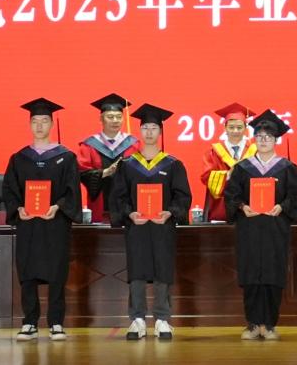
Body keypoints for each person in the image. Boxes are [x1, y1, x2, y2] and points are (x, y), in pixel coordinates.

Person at [109, 103, 192, 340]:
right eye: (145, 127)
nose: (149, 132)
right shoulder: (127, 165)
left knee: (162, 270)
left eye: (153, 128)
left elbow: (182, 196)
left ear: (160, 131)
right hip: (136, 227)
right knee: (137, 271)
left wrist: (170, 212)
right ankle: (137, 319)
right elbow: (118, 197)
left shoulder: (173, 164)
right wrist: (129, 214)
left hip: (162, 227)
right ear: (140, 131)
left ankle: (162, 319)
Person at [3, 98, 81, 342]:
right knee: (27, 272)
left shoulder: (66, 157)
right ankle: (29, 322)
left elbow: (72, 191)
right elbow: (10, 190)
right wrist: (18, 208)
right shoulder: (19, 158)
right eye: (35, 121)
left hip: (55, 223)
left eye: (44, 121)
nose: (39, 126)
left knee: (57, 272)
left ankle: (56, 322)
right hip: (28, 223)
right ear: (29, 125)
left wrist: (58, 207)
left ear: (51, 124)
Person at [223, 110, 297, 340]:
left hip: (275, 229)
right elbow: (231, 195)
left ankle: (268, 324)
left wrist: (282, 207)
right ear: (254, 139)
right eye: (259, 136)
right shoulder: (243, 168)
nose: (264, 140)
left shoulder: (287, 168)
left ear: (276, 140)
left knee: (272, 275)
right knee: (251, 275)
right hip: (249, 229)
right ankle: (252, 324)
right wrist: (242, 207)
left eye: (268, 137)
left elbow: (296, 195)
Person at [78, 93, 139, 225]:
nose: (115, 120)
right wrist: (105, 172)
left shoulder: (134, 144)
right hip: (99, 207)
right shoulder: (89, 145)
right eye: (110, 117)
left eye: (119, 117)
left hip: (128, 209)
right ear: (101, 119)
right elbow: (81, 173)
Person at [201, 102, 256, 223]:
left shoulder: (254, 151)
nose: (235, 131)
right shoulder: (213, 152)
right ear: (225, 128)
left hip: (249, 208)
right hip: (221, 208)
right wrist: (228, 174)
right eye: (231, 127)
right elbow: (206, 177)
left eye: (239, 127)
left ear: (246, 128)